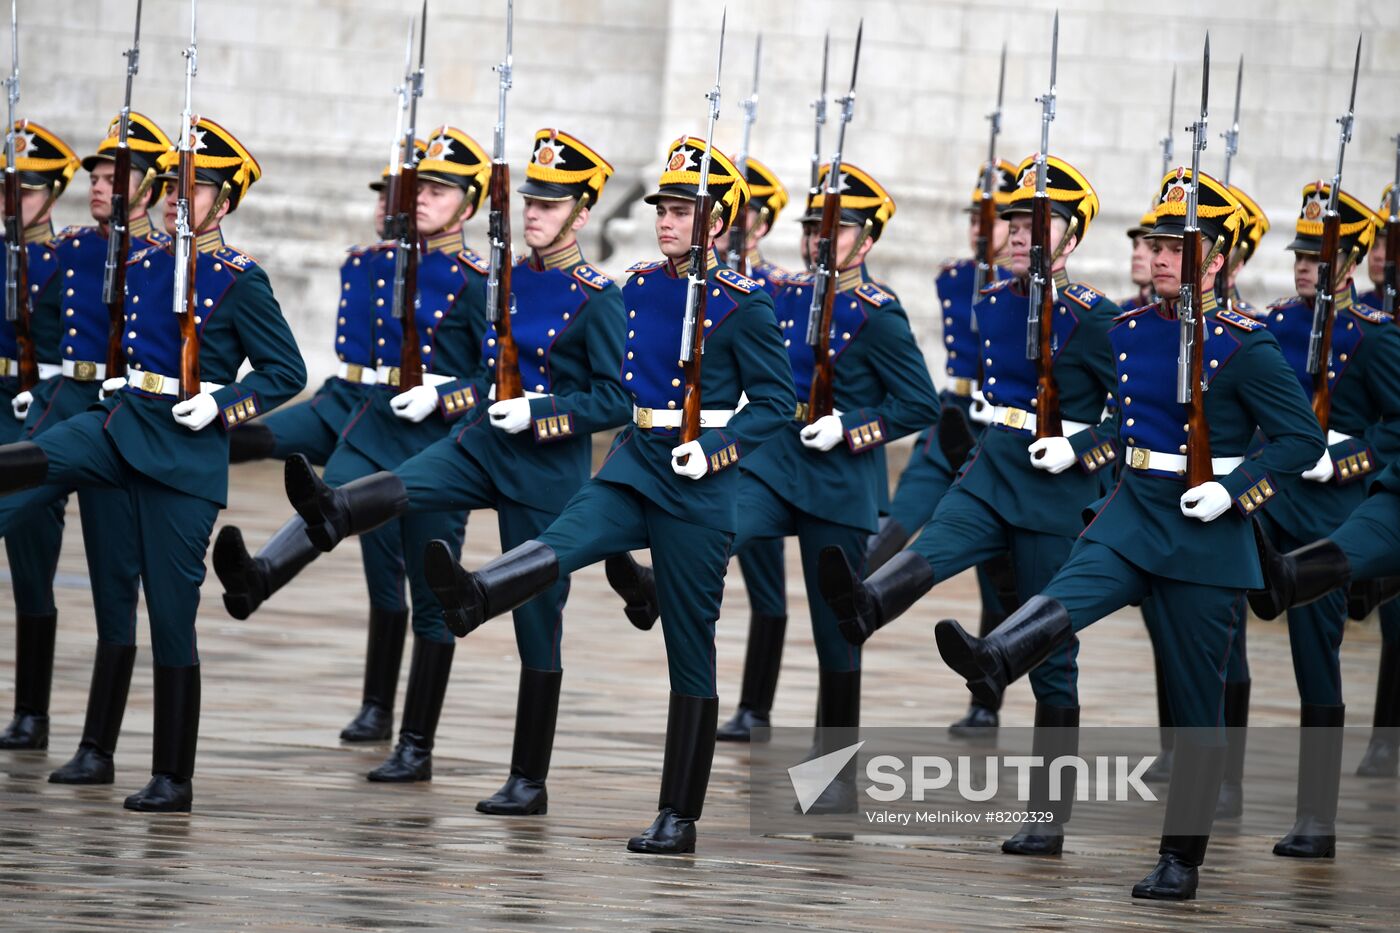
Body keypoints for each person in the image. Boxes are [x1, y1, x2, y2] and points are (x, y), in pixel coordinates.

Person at [934, 169, 1323, 899]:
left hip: (1206, 540)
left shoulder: (1249, 346)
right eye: (1156, 242)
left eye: (1180, 245)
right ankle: (993, 659)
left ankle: (1182, 856)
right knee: (1066, 591)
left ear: (1216, 260)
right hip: (1133, 511)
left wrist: (1236, 490)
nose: (1163, 255)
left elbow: (1300, 441)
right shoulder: (1131, 331)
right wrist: (1085, 448)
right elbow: (1122, 421)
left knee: (1193, 699)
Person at [422, 135, 795, 854]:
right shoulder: (642, 286)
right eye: (664, 208)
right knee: (563, 538)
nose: (665, 221)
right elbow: (615, 386)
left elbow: (777, 404)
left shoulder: (745, 306)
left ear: (717, 223)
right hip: (635, 463)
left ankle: (677, 815)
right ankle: (476, 593)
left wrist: (716, 447)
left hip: (699, 485)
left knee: (690, 647)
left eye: (683, 211)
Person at [258, 127, 626, 815]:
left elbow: (614, 397)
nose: (535, 214)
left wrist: (544, 412)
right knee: (413, 478)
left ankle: (528, 778)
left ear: (582, 211)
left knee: (537, 620)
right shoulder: (507, 279)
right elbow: (489, 368)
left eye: (552, 204)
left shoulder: (597, 295)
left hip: (544, 467)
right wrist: (461, 395)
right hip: (483, 439)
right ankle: (334, 507)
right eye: (532, 202)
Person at [608, 160, 938, 813]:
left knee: (835, 629)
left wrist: (853, 428)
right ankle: (655, 585)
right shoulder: (782, 293)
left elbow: (919, 404)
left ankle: (835, 775)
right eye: (815, 226)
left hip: (839, 480)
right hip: (775, 463)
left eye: (836, 229)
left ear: (865, 242)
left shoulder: (880, 314)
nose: (821, 238)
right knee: (725, 527)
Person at [0, 117, 306, 812]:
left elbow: (287, 371)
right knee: (35, 461)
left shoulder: (239, 281)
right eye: (171, 184)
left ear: (223, 205)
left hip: (183, 453)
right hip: (121, 423)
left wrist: (225, 407)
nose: (175, 197)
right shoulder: (139, 261)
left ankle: (173, 775)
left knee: (171, 613)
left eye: (193, 189)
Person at [819, 155, 1119, 854]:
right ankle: (868, 604)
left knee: (1051, 653)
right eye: (1013, 221)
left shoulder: (1099, 319)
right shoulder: (991, 302)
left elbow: (1136, 418)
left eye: (1034, 223)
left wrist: (1083, 449)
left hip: (1054, 489)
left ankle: (1049, 814)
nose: (1017, 233)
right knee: (936, 541)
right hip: (993, 466)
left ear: (1070, 239)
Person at [215, 125, 491, 782]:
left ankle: (416, 743)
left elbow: (496, 378)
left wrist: (447, 397)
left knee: (428, 587)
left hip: (431, 435)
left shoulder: (481, 282)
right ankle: (366, 694)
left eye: (438, 189)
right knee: (278, 458)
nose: (418, 199)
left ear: (471, 205)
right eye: (416, 187)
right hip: (355, 405)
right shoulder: (368, 262)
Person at [215, 149, 419, 745]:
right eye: (381, 196)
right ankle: (253, 572)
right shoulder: (359, 262)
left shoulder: (444, 273)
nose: (383, 206)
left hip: (389, 417)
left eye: (394, 198)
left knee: (377, 554)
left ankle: (379, 706)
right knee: (243, 437)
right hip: (340, 401)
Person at [0, 120, 78, 751]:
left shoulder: (66, 259)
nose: (13, 202)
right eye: (7, 188)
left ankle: (33, 712)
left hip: (38, 408)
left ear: (52, 194)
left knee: (31, 558)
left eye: (26, 191)